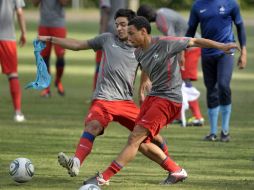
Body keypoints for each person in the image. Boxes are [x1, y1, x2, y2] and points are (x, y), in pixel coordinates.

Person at [83, 16, 239, 186]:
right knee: (141, 143)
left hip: (169, 99)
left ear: (144, 32)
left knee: (135, 138)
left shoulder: (165, 43)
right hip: (154, 97)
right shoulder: (138, 52)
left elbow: (195, 41)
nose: (128, 38)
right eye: (127, 35)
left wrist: (222, 46)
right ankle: (176, 170)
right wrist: (144, 85)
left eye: (132, 34)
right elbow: (146, 69)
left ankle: (103, 178)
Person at [38, 9, 169, 178]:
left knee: (153, 137)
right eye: (117, 25)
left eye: (123, 25)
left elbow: (148, 66)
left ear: (132, 26)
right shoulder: (107, 39)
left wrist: (144, 82)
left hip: (125, 102)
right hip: (103, 99)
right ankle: (76, 162)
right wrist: (50, 39)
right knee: (93, 125)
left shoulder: (139, 47)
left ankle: (171, 165)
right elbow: (77, 45)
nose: (119, 29)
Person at [186, 0, 247, 141]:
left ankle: (225, 131)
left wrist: (243, 51)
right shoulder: (197, 6)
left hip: (226, 52)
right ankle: (213, 133)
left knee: (223, 86)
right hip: (207, 54)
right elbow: (190, 31)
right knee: (211, 90)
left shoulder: (231, 3)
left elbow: (240, 26)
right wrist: (182, 52)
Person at [137, 5, 204, 127]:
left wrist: (180, 55)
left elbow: (173, 40)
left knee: (185, 79)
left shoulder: (160, 21)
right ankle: (178, 115)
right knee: (178, 79)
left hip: (191, 47)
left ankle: (197, 116)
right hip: (187, 46)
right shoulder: (162, 11)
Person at [32, 0, 69, 97]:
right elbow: (34, 3)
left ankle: (58, 81)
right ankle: (46, 88)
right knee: (44, 58)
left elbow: (64, 2)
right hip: (44, 25)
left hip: (58, 25)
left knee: (60, 56)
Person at [0, 0, 26, 122]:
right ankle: (18, 112)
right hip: (7, 37)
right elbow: (20, 12)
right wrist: (24, 32)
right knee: (12, 74)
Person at [93, 0, 128, 89]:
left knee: (100, 64)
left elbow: (106, 10)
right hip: (122, 32)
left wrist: (101, 36)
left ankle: (96, 92)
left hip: (109, 31)